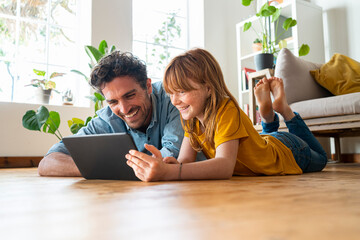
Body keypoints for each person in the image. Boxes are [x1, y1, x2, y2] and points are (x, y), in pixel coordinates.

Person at [125, 48, 328, 182]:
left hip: (290, 150)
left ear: (208, 88)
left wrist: (171, 173)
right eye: (171, 93)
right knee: (261, 142)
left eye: (182, 92)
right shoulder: (191, 117)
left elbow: (224, 167)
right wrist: (168, 164)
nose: (175, 101)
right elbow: (185, 161)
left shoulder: (226, 109)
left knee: (322, 159)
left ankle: (284, 110)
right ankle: (267, 117)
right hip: (264, 142)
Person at [38, 51, 197, 176]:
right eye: (113, 102)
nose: (124, 109)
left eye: (130, 96)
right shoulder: (106, 119)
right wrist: (104, 171)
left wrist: (119, 169)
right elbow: (48, 162)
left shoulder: (174, 98)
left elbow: (172, 157)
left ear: (148, 86)